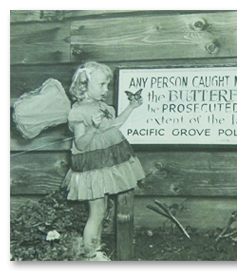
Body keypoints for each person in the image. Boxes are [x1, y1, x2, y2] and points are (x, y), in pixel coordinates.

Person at [62, 61, 146, 260]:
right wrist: (92, 128)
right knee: (97, 211)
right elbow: (81, 144)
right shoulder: (78, 112)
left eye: (107, 85)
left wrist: (131, 107)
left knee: (102, 209)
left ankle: (95, 250)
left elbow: (114, 125)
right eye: (101, 85)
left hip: (107, 162)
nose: (106, 90)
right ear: (84, 85)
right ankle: (90, 255)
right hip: (92, 166)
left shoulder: (103, 106)